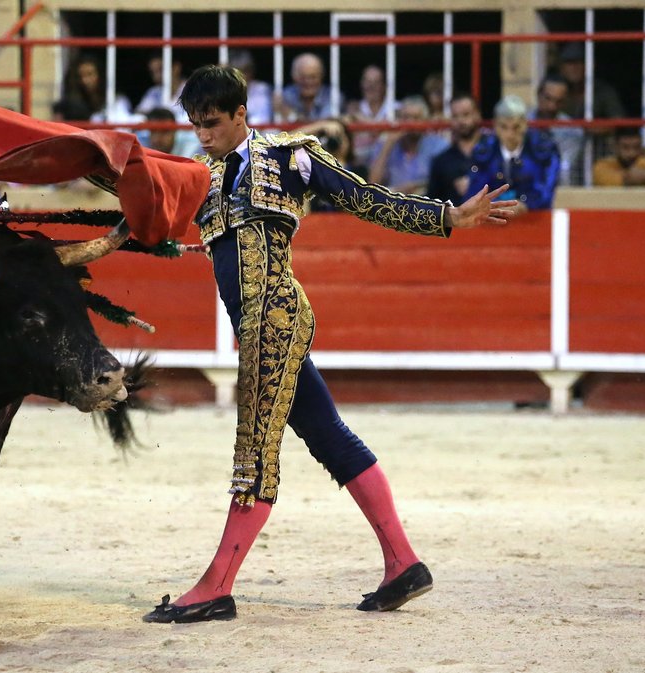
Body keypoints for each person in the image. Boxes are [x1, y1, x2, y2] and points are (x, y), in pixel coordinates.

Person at [141, 64, 519, 624]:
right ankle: (403, 564)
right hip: (258, 327)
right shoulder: (202, 176)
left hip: (277, 319)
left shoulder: (289, 157)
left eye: (213, 124)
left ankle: (216, 585)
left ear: (241, 113)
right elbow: (147, 210)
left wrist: (450, 217)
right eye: (195, 125)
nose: (202, 135)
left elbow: (367, 197)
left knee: (255, 452)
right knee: (329, 437)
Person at [466, 95, 558, 211]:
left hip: (534, 218)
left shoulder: (544, 151)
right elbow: (476, 191)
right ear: (495, 125)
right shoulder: (483, 153)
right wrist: (499, 205)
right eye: (504, 127)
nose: (510, 134)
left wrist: (526, 204)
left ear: (525, 124)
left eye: (516, 127)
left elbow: (546, 189)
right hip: (492, 219)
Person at [366, 96, 449, 195]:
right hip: (393, 204)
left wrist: (417, 186)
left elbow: (445, 183)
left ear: (425, 121)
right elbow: (372, 185)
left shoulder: (438, 145)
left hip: (428, 203)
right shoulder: (386, 144)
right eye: (406, 117)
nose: (410, 123)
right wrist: (388, 145)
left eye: (416, 118)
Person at [427, 92, 484, 205]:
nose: (461, 121)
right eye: (455, 116)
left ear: (477, 115)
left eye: (466, 114)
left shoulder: (495, 152)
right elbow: (432, 204)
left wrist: (474, 185)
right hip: (455, 221)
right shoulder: (441, 161)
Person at [529, 73, 583, 186]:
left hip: (557, 189)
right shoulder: (521, 123)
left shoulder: (572, 130)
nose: (552, 106)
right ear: (538, 94)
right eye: (548, 98)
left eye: (559, 101)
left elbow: (564, 168)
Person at [344, 65, 396, 173]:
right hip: (357, 169)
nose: (371, 86)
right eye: (367, 81)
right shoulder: (353, 108)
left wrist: (362, 121)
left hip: (389, 168)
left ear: (384, 85)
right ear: (361, 84)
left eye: (376, 82)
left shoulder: (396, 109)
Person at [53, 53, 133, 123]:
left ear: (100, 75)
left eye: (90, 74)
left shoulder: (114, 99)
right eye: (81, 76)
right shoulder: (71, 103)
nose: (85, 80)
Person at [556, 42, 625, 123]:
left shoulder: (603, 90)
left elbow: (618, 120)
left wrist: (590, 128)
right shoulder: (554, 90)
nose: (575, 68)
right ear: (561, 68)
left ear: (589, 66)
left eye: (580, 62)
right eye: (569, 63)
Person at [276, 52, 328, 123]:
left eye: (313, 77)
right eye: (302, 77)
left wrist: (292, 116)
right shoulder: (286, 95)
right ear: (293, 76)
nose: (308, 82)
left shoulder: (332, 96)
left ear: (321, 76)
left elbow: (324, 126)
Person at [228, 49, 272, 126]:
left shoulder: (262, 89)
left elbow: (262, 121)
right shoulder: (224, 92)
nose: (242, 75)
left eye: (246, 70)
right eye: (238, 71)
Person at [135, 52, 186, 118]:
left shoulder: (192, 89)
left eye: (161, 69)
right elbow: (139, 113)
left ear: (176, 68)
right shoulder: (154, 92)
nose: (156, 76)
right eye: (153, 72)